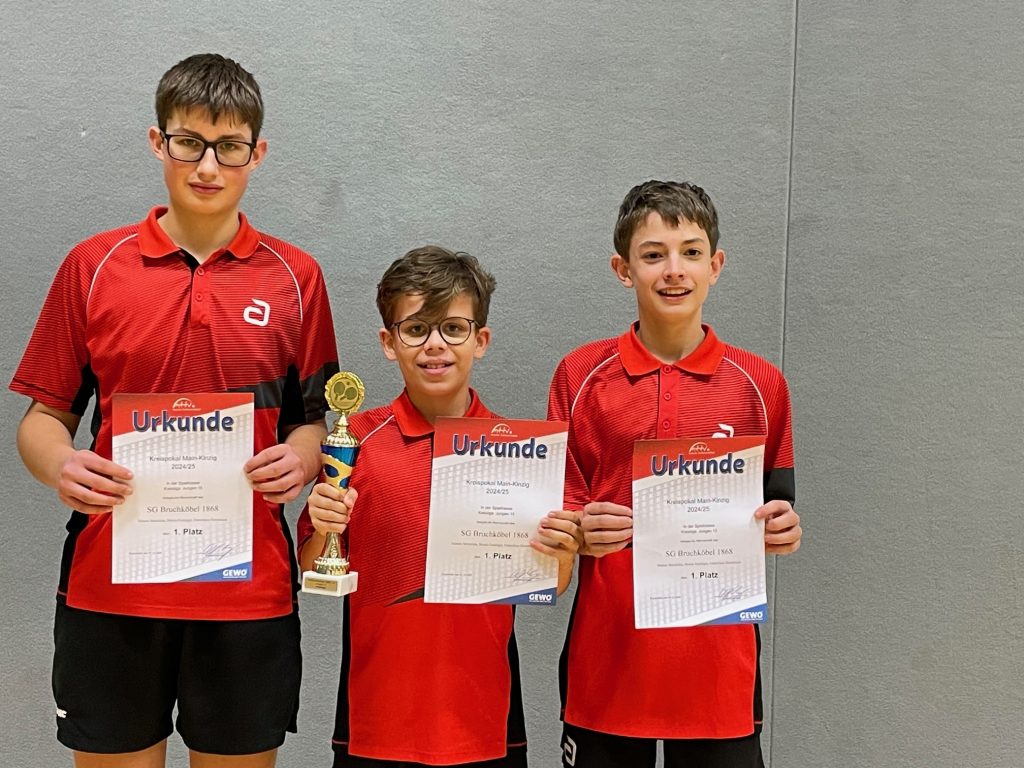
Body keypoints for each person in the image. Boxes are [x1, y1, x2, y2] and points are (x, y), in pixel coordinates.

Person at [10, 53, 339, 768]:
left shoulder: (297, 277)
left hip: (248, 592)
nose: (208, 166)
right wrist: (61, 465)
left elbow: (314, 420)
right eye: (189, 142)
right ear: (158, 141)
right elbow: (41, 419)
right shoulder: (92, 265)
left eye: (230, 147)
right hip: (112, 589)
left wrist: (303, 455)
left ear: (258, 153)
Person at [548, 180, 803, 768]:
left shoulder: (761, 383)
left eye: (691, 252)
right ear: (623, 269)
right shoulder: (579, 375)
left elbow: (778, 506)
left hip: (718, 674)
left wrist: (783, 528)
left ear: (715, 265)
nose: (673, 270)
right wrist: (579, 530)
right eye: (653, 254)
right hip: (609, 665)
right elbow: (559, 515)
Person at [297, 246, 581, 767]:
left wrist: (563, 551)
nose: (435, 345)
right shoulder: (355, 442)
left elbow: (552, 582)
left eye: (453, 328)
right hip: (375, 719)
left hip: (485, 720)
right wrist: (322, 524)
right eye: (415, 329)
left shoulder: (521, 453)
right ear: (389, 343)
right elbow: (314, 565)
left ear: (481, 341)